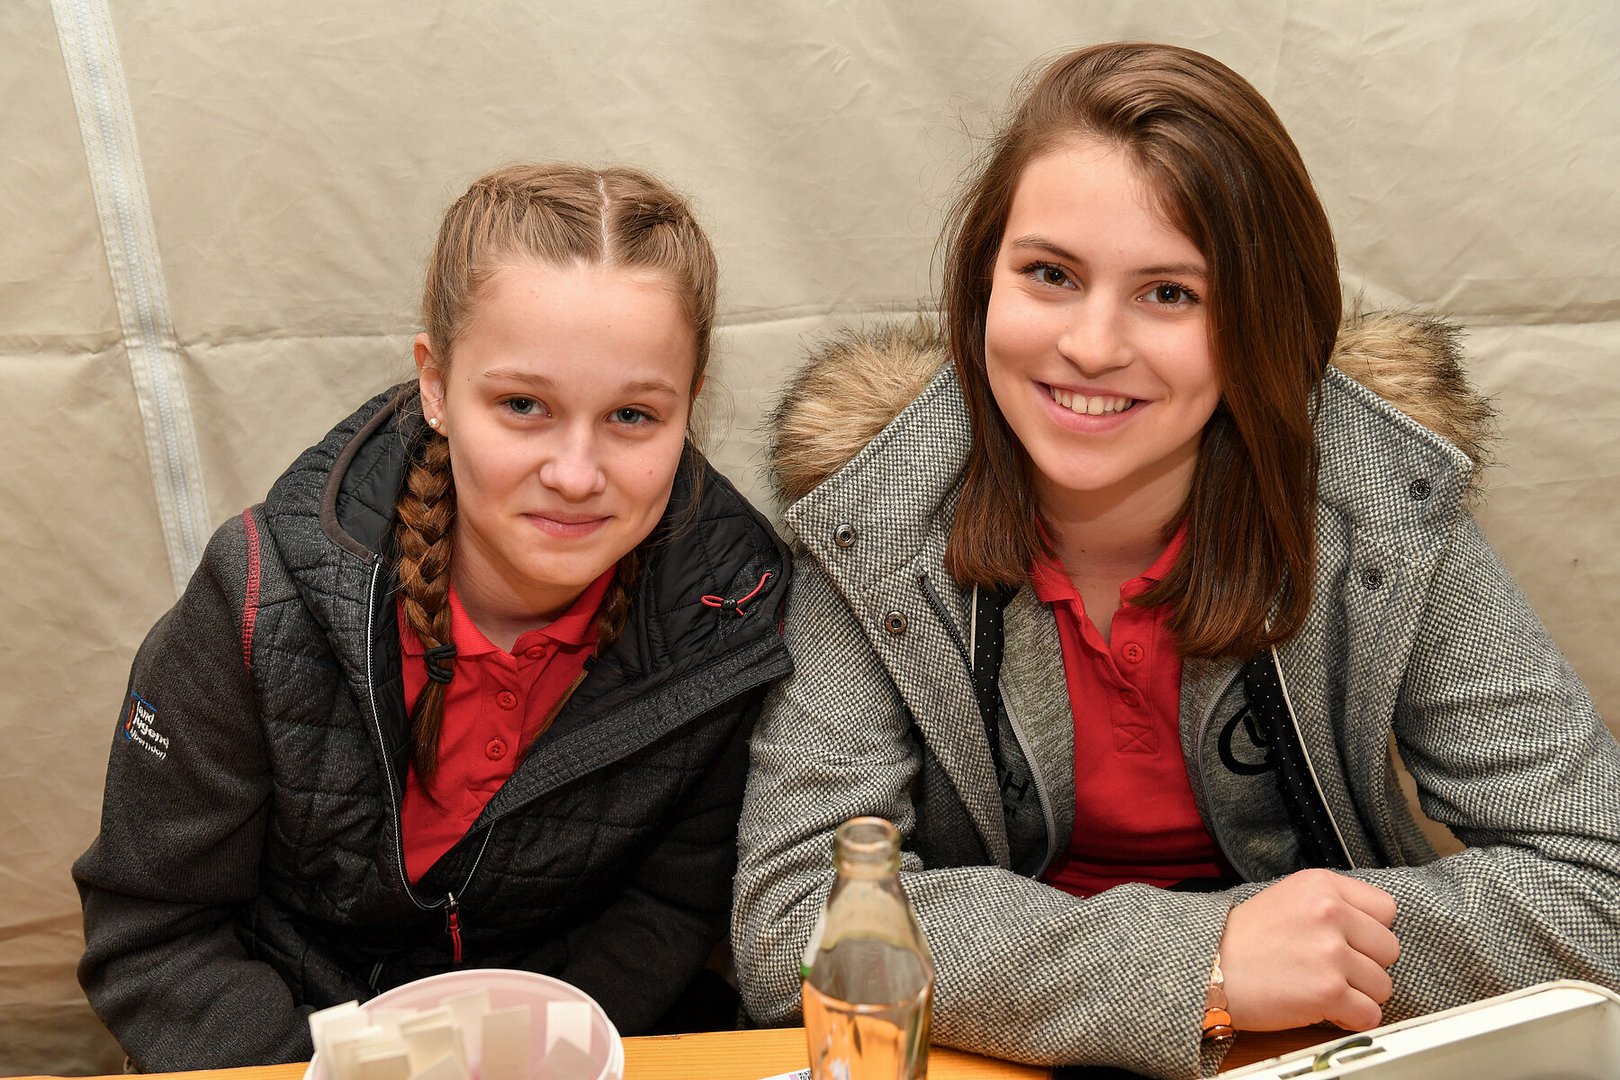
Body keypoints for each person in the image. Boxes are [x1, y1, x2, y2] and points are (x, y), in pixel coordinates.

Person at [732, 42, 1620, 1080]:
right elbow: (794, 923)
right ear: (980, 288)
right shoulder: (874, 517)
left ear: (1260, 327)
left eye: (1169, 293)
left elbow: (1599, 887)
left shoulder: (1379, 501)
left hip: (1316, 1049)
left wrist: (1311, 961)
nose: (1092, 345)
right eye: (1050, 275)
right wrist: (1206, 961)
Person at [74, 163, 792, 1070]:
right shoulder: (257, 597)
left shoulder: (736, 625)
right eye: (523, 405)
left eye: (632, 416)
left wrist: (541, 1056)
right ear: (436, 386)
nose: (576, 473)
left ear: (690, 405)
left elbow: (672, 908)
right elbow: (152, 934)